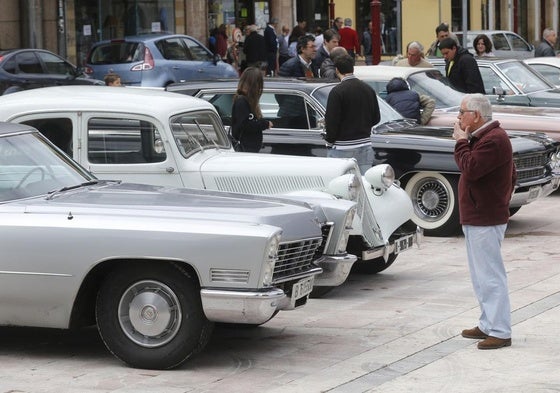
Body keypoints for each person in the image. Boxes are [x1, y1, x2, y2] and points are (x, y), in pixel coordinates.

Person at [453, 93, 516, 350]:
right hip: (479, 215)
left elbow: (471, 168)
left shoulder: (493, 139)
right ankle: (487, 323)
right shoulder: (485, 138)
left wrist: (460, 142)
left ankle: (500, 330)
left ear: (476, 116)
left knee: (490, 275)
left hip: (485, 217)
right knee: (480, 276)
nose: (458, 117)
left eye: (461, 112)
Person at [324, 54, 380, 174]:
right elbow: (376, 118)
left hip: (342, 147)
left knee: (341, 185)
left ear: (337, 70)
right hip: (365, 144)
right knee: (365, 184)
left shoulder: (337, 92)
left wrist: (329, 140)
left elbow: (332, 121)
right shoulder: (368, 89)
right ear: (352, 68)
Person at [231, 67, 273, 152]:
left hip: (250, 148)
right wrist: (264, 124)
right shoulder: (241, 102)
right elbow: (245, 125)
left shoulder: (247, 101)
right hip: (245, 148)